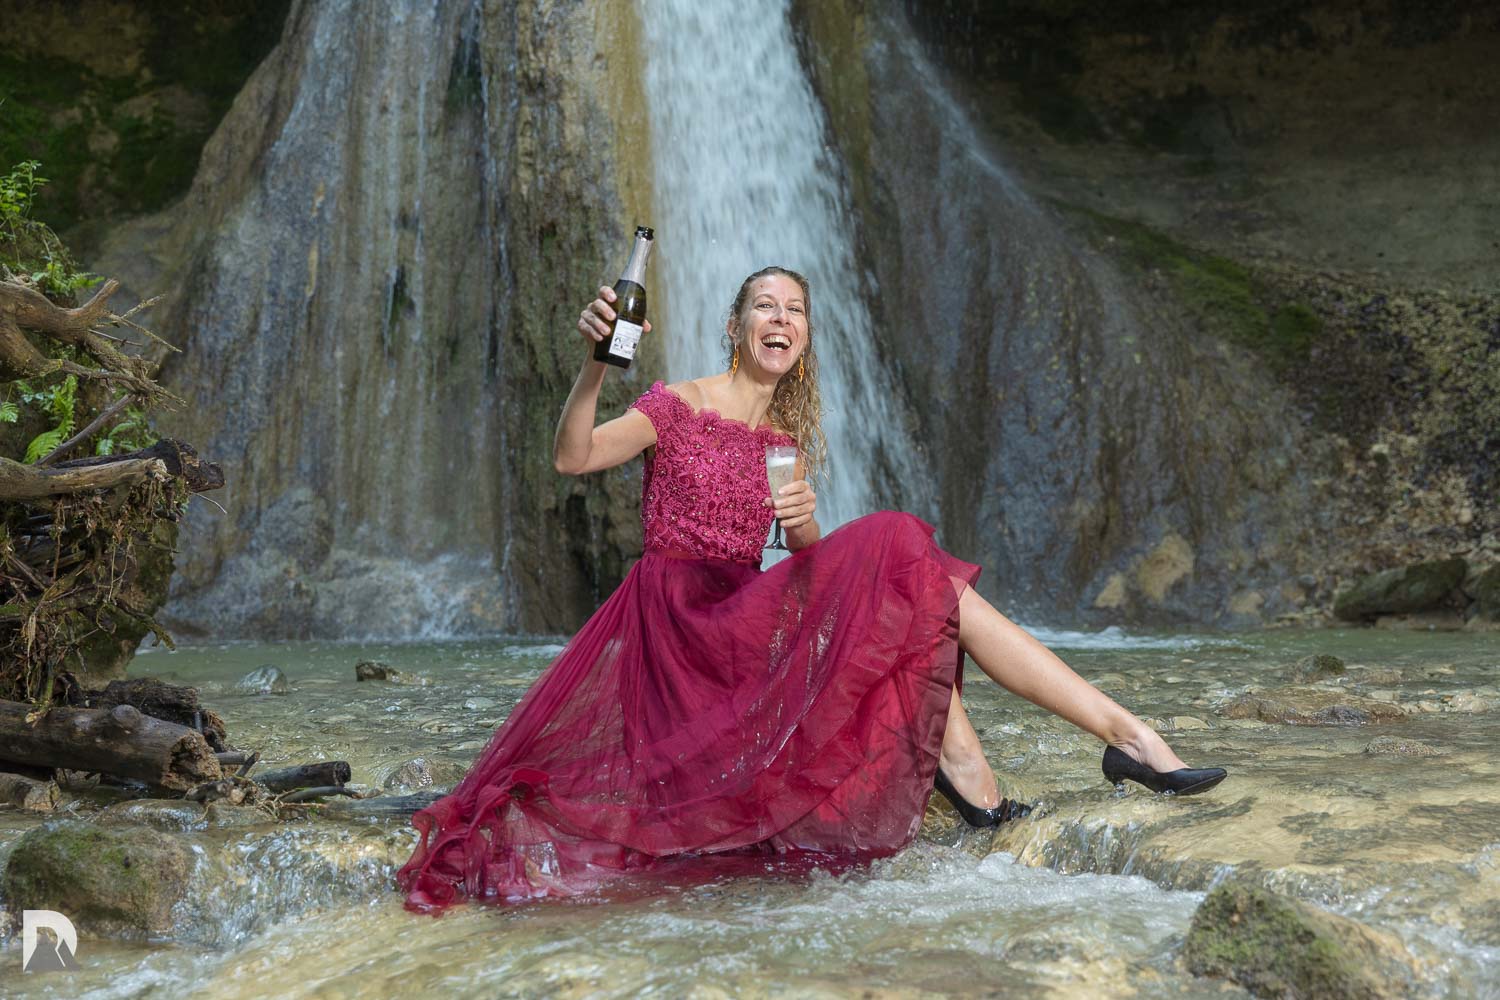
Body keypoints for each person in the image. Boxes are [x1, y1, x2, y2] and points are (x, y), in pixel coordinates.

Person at [395, 266, 1225, 914]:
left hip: (745, 623)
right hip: (682, 628)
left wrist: (800, 526)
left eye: (795, 309)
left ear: (805, 337)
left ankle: (1100, 739)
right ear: (735, 325)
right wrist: (591, 367)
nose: (781, 319)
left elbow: (810, 572)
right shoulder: (673, 405)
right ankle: (1029, 763)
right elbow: (572, 457)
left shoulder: (784, 441)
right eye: (765, 305)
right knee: (903, 545)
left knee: (908, 577)